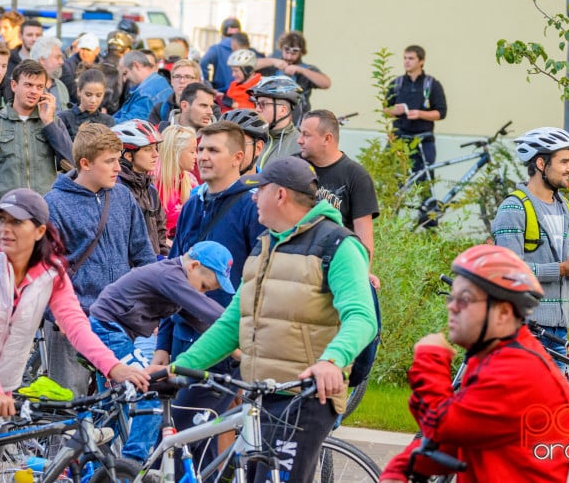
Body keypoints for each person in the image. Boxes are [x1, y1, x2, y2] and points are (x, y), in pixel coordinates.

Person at [0, 188, 149, 482]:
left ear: (39, 231)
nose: (6, 228)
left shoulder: (51, 273)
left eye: (17, 222)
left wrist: (113, 366)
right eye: (2, 219)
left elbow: (76, 325)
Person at [172, 156, 377, 483]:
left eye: (260, 190)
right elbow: (231, 325)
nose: (253, 198)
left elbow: (362, 317)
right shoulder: (266, 245)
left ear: (281, 194)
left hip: (306, 396)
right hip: (261, 393)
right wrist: (178, 367)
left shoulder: (338, 245)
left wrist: (332, 360)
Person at [379, 245, 569, 483]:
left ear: (504, 313)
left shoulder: (517, 371)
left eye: (464, 299)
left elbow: (442, 425)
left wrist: (430, 357)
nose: (451, 307)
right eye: (452, 297)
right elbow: (456, 440)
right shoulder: (496, 357)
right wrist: (403, 467)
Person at [157, 122, 264, 461]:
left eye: (213, 150)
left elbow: (258, 282)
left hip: (223, 350)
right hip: (182, 345)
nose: (202, 156)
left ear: (238, 157)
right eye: (200, 149)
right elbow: (172, 282)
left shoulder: (252, 208)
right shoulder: (192, 205)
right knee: (190, 453)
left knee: (177, 449)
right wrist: (163, 345)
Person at [89, 241, 234, 461]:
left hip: (110, 331)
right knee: (150, 389)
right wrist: (240, 328)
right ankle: (133, 465)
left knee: (115, 406)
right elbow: (214, 316)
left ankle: (88, 460)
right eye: (204, 287)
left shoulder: (179, 282)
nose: (203, 294)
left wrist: (236, 347)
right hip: (106, 330)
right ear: (193, 266)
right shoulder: (170, 276)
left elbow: (206, 325)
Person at [45, 124, 157, 393]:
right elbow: (44, 270)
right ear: (85, 163)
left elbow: (143, 254)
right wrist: (55, 315)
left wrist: (154, 307)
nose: (118, 168)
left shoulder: (122, 196)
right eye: (109, 161)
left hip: (118, 319)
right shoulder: (53, 204)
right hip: (73, 321)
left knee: (122, 400)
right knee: (69, 404)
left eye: (118, 159)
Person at [491, 127, 569, 367]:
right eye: (563, 161)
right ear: (541, 163)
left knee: (553, 404)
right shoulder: (514, 209)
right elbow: (508, 273)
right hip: (524, 328)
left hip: (559, 332)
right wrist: (560, 269)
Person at [0, 60, 73, 207]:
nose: (34, 91)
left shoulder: (54, 123)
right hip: (3, 211)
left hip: (44, 210)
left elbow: (73, 163)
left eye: (39, 87)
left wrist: (49, 123)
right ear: (14, 85)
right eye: (28, 85)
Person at [298, 109, 379, 259]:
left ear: (327, 139)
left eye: (306, 135)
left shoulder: (356, 176)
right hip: (297, 258)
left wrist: (364, 272)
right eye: (300, 133)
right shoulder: (293, 166)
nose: (299, 140)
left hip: (336, 260)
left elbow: (364, 234)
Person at [382, 44, 447, 178]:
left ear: (421, 61)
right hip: (399, 139)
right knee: (392, 181)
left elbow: (441, 113)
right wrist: (395, 110)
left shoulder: (431, 84)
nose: (406, 61)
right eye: (405, 58)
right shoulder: (396, 83)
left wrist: (420, 114)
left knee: (425, 183)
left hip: (423, 141)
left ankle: (427, 200)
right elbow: (385, 110)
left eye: (411, 58)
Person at [112, 119, 169, 256]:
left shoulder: (150, 189)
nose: (155, 154)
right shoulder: (117, 189)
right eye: (148, 149)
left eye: (155, 148)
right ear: (128, 156)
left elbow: (160, 233)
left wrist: (163, 261)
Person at [257, 31, 331, 121]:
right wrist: (272, 61)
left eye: (294, 53)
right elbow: (247, 67)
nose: (289, 56)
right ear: (281, 48)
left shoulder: (306, 69)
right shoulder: (273, 65)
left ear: (301, 52)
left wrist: (301, 70)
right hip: (272, 119)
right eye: (286, 50)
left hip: (297, 122)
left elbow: (326, 83)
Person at [249, 76, 303, 169]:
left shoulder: (299, 146)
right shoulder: (251, 139)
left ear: (283, 110)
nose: (257, 109)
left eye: (263, 104)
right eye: (256, 103)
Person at [156, 125, 198, 238]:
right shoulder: (152, 183)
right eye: (192, 151)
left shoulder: (191, 180)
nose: (196, 156)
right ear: (176, 152)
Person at [114, 50, 172, 123]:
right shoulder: (158, 81)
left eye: (125, 73)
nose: (124, 79)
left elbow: (129, 126)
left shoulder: (146, 95)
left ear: (136, 65)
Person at [57, 68, 115, 140]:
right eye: (88, 94)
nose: (93, 100)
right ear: (79, 91)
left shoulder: (108, 121)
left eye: (98, 95)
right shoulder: (63, 118)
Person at [149, 59, 204, 127]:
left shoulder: (210, 109)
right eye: (177, 76)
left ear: (198, 81)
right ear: (171, 80)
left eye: (188, 77)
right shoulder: (159, 109)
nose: (182, 81)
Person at [219, 108, 268, 175]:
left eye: (238, 144)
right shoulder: (206, 185)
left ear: (258, 148)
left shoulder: (270, 185)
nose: (227, 152)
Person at [29, 36, 70, 111]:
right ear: (42, 60)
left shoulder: (61, 86)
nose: (62, 62)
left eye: (62, 57)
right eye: (57, 57)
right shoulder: (27, 85)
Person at [200, 17, 241, 91]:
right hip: (239, 92)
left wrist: (207, 82)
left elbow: (203, 62)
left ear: (222, 32)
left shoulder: (216, 49)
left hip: (220, 93)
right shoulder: (245, 49)